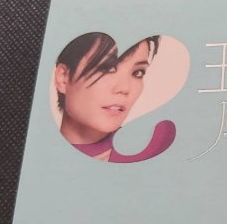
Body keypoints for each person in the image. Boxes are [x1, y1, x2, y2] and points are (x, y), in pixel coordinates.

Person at [54, 33, 174, 163]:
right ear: (63, 77)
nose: (125, 88)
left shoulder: (157, 144)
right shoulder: (42, 154)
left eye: (137, 72)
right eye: (107, 69)